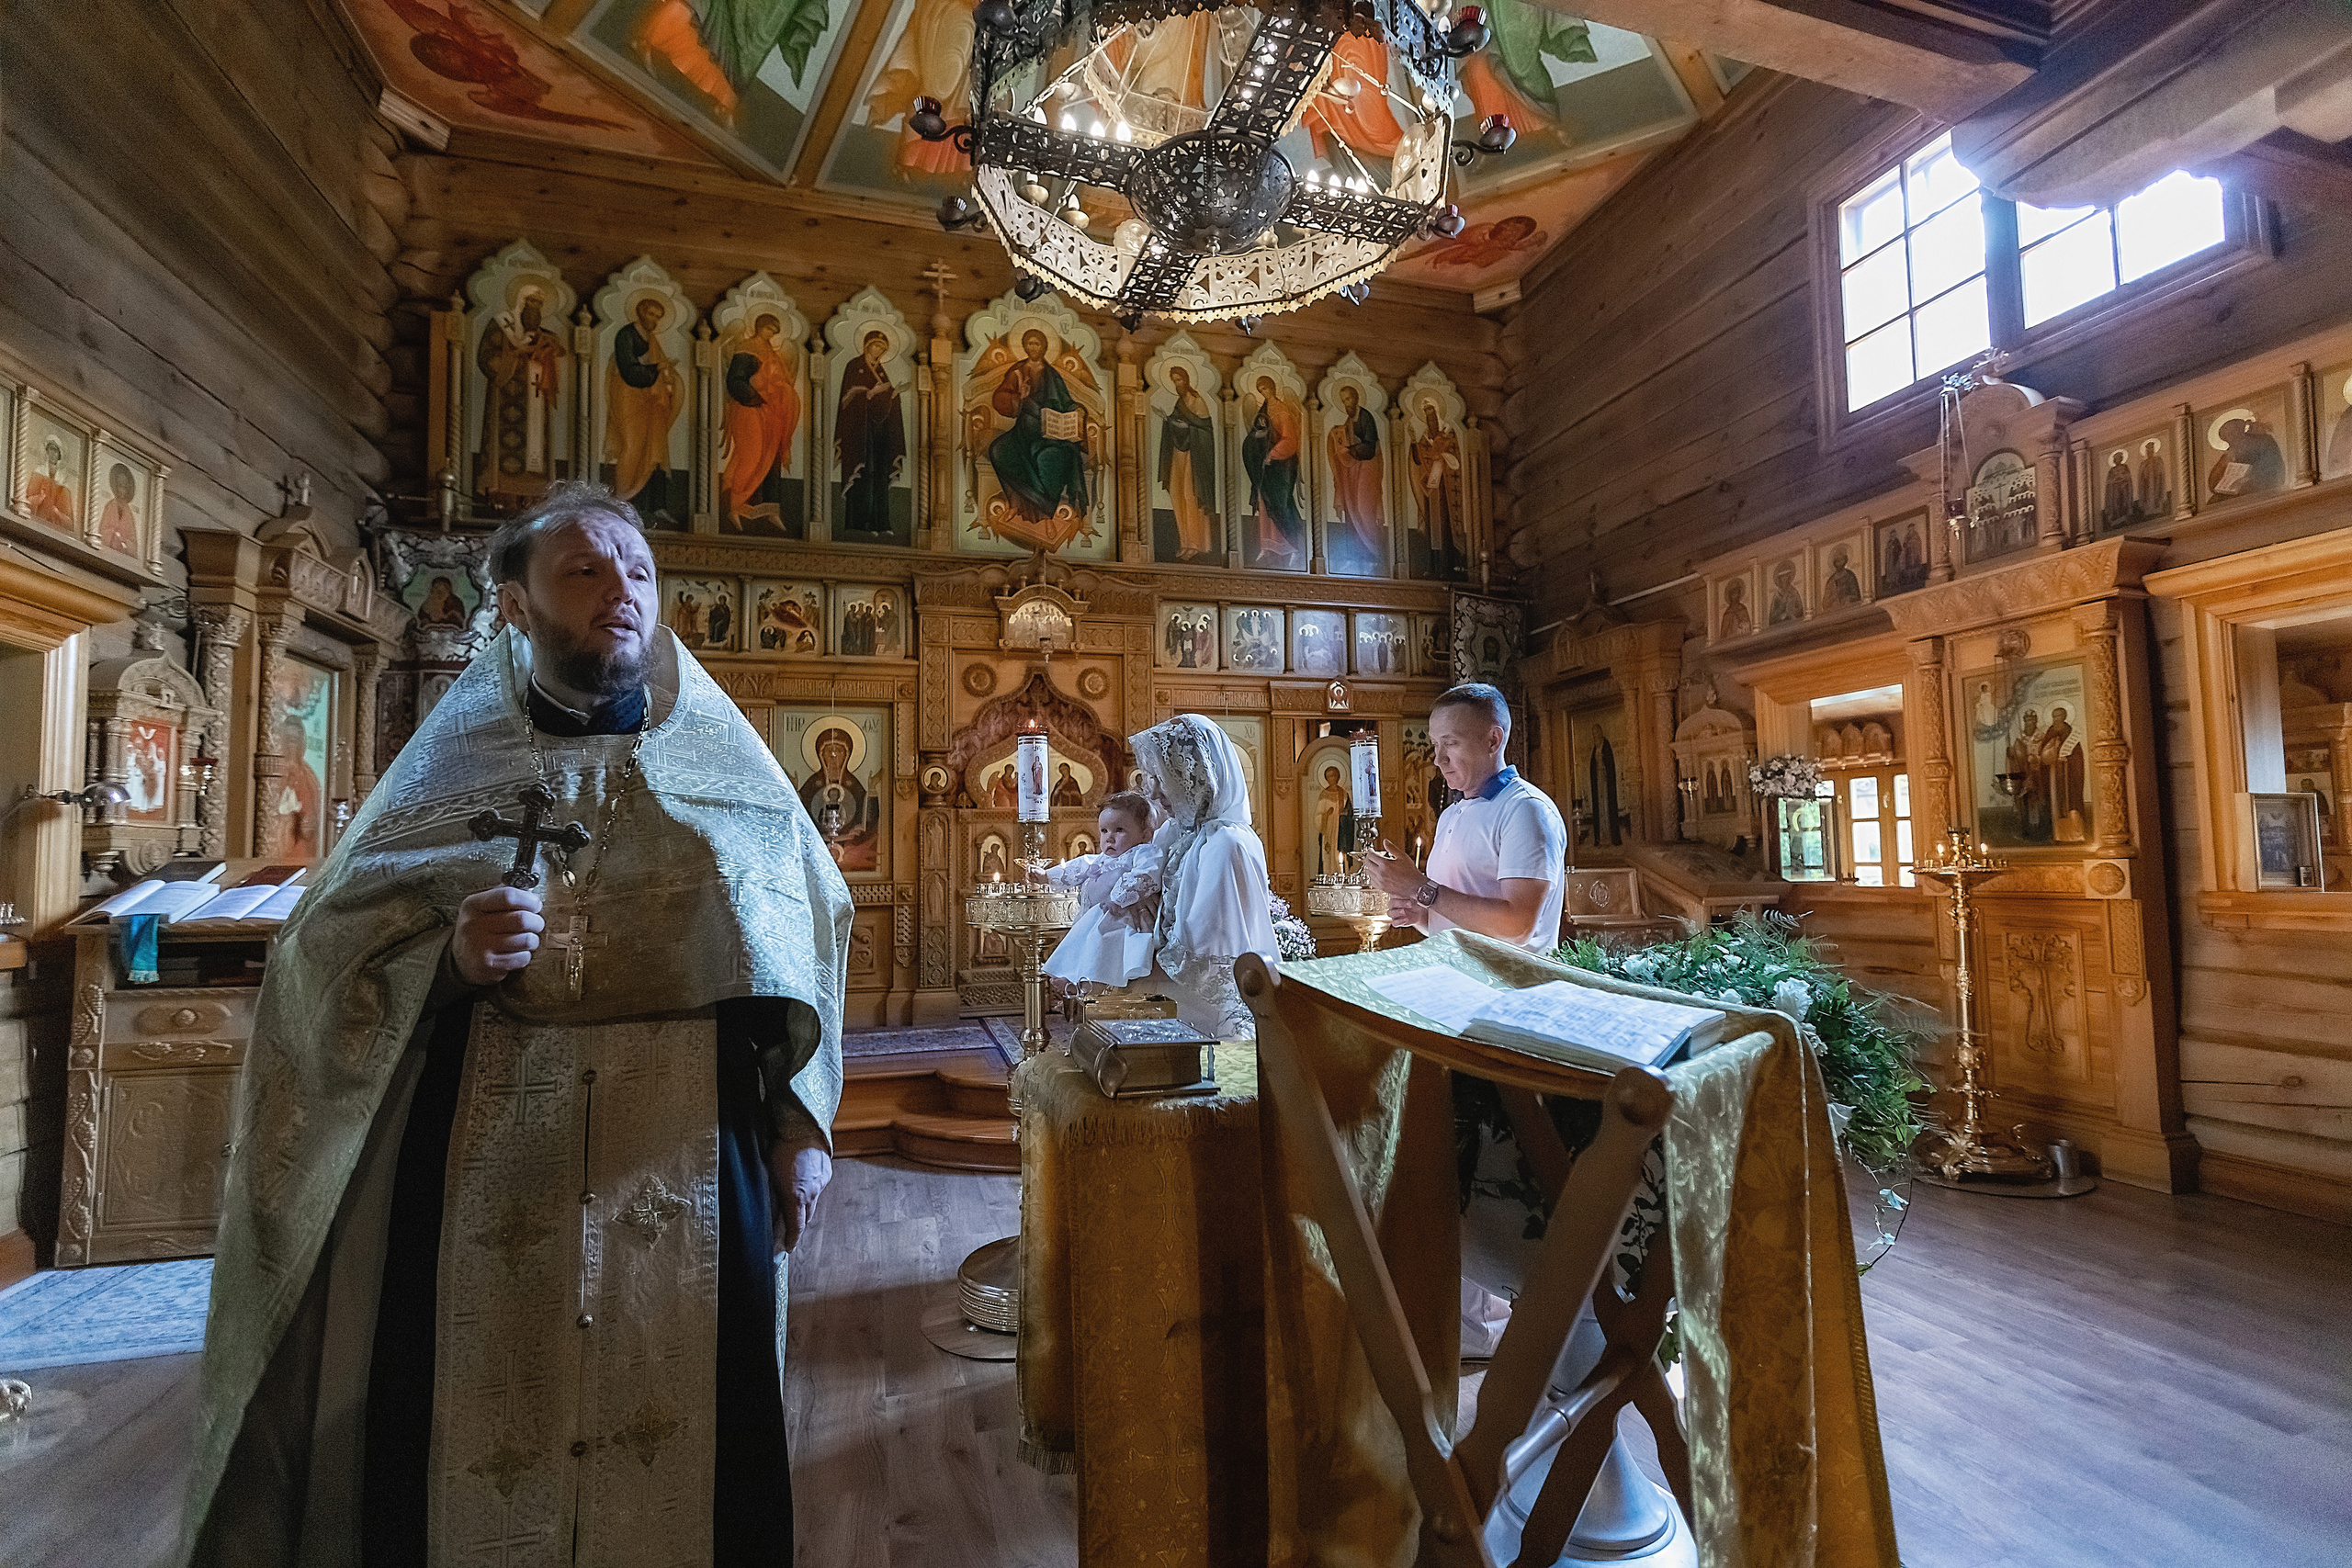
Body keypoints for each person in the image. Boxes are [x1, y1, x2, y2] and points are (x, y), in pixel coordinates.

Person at [182, 480, 852, 1567]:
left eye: (636, 573)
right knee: (465, 1411)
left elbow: (802, 949)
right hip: (481, 1149)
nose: (619, 594)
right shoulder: (442, 781)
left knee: (694, 1422)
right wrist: (447, 961)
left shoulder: (731, 784)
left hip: (684, 1148)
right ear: (514, 604)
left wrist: (798, 1126)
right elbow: (324, 954)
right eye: (584, 571)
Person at [1368, 683, 1566, 953]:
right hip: (1457, 982)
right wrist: (1421, 915)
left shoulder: (1525, 810)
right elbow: (1454, 924)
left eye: (1451, 743)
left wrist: (1420, 887)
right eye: (1435, 744)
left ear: (1493, 741)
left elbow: (1517, 927)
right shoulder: (1452, 814)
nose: (1438, 759)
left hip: (1510, 988)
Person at [1130, 715, 1281, 1037]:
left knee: (1221, 1083)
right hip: (1172, 994)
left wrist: (1135, 966)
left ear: (1199, 776)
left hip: (1208, 1007)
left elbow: (1211, 955)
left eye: (1165, 779)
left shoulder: (1227, 843)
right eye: (1152, 778)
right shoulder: (1178, 833)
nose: (1155, 794)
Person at [1031, 792, 1161, 991]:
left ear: (1145, 834)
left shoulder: (1143, 852)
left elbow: (1147, 875)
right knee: (1083, 941)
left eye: (1119, 830)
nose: (1109, 837)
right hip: (1097, 916)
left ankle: (1093, 984)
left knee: (1103, 945)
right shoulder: (1101, 859)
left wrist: (1118, 898)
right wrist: (1046, 876)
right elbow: (1078, 866)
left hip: (1124, 919)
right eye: (1104, 830)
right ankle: (1074, 976)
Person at [837, 330, 906, 536]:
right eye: (875, 346)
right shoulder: (854, 366)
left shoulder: (881, 370)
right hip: (860, 433)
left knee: (880, 475)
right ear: (867, 346)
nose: (878, 351)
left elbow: (885, 400)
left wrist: (892, 395)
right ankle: (861, 523)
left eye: (881, 349)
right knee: (864, 475)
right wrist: (868, 394)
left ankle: (881, 523)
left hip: (880, 432)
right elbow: (846, 400)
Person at [1158, 364, 1219, 559]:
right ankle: (1185, 542)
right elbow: (1178, 424)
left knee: (1190, 495)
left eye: (1179, 379)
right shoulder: (1179, 403)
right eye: (1174, 381)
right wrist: (1170, 422)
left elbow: (1205, 430)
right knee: (1176, 494)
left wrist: (1187, 427)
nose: (1177, 384)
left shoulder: (1196, 401)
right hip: (1178, 453)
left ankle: (1197, 543)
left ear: (1187, 380)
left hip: (1195, 457)